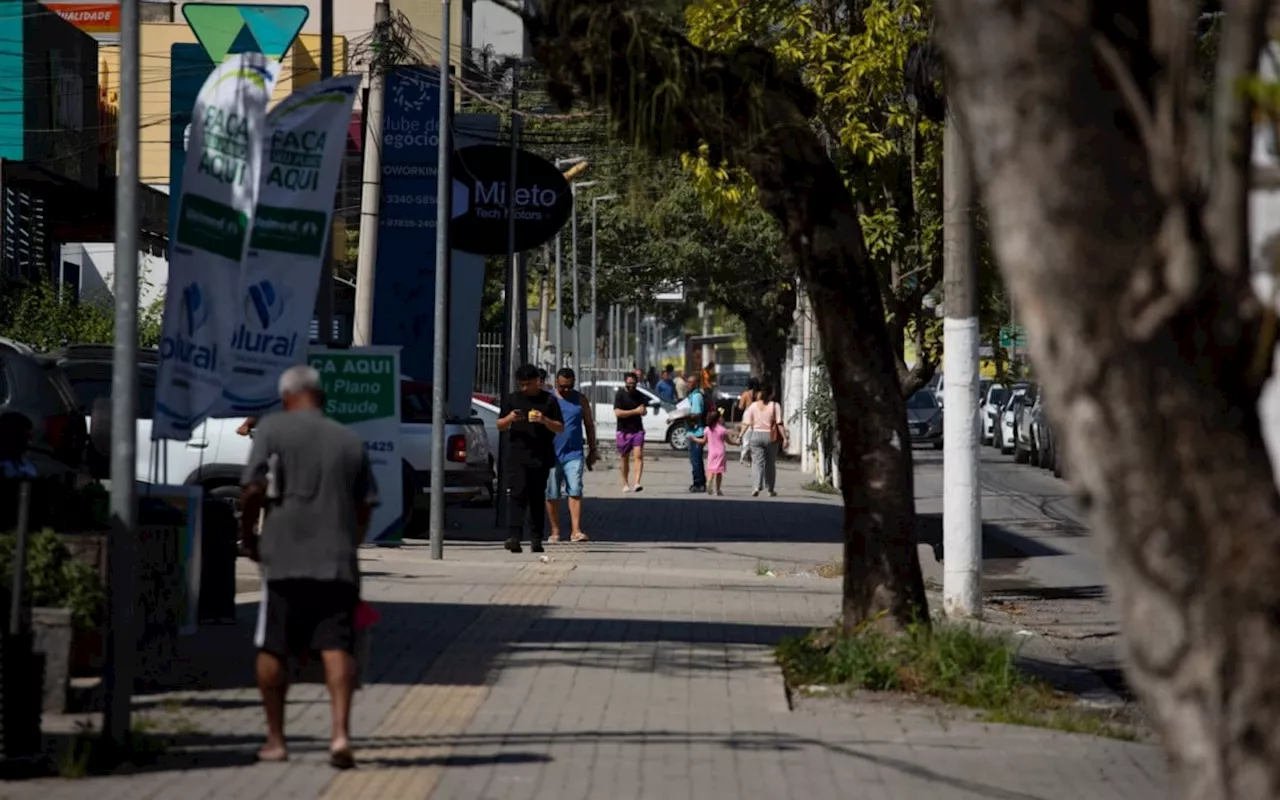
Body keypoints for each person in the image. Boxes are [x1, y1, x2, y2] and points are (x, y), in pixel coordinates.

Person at [239, 365, 379, 770]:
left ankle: (276, 740)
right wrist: (349, 540)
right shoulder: (349, 439)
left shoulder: (271, 431)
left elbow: (250, 489)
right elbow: (365, 504)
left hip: (281, 556)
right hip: (336, 559)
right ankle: (340, 736)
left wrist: (249, 537)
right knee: (336, 644)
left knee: (274, 645)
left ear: (286, 398)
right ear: (321, 396)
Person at [498, 363, 565, 553]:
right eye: (521, 385)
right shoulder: (513, 399)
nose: (524, 388)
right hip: (517, 455)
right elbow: (500, 425)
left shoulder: (549, 401)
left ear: (537, 382)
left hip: (540, 456)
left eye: (528, 384)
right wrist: (510, 418)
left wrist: (544, 420)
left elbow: (560, 427)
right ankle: (514, 537)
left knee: (536, 497)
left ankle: (536, 538)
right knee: (517, 494)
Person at [545, 368, 597, 543]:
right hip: (552, 453)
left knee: (575, 489)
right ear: (556, 384)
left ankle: (576, 530)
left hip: (574, 453)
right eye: (562, 387)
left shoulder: (580, 399)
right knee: (552, 493)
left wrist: (593, 450)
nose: (566, 390)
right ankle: (555, 530)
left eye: (569, 386)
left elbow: (589, 425)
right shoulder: (549, 399)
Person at [740, 385, 789, 497]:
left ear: (759, 394)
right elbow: (779, 423)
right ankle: (770, 489)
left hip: (756, 436)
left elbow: (746, 423)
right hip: (771, 437)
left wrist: (740, 436)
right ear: (771, 394)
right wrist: (785, 438)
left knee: (757, 463)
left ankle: (756, 486)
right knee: (770, 464)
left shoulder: (753, 406)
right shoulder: (775, 406)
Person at [613, 371, 648, 492]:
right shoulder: (620, 395)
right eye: (629, 383)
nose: (631, 386)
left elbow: (643, 410)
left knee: (638, 455)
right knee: (624, 457)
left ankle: (637, 482)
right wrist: (635, 411)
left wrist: (642, 411)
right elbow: (618, 413)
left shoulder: (639, 395)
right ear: (625, 383)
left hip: (637, 429)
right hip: (623, 431)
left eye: (633, 383)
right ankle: (625, 483)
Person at [689, 409, 732, 496]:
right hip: (721, 453)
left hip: (712, 453)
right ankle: (718, 489)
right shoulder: (722, 430)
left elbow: (703, 441)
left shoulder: (707, 429)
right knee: (719, 472)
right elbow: (729, 441)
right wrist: (736, 443)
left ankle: (709, 481)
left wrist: (694, 439)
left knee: (711, 470)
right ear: (718, 419)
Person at [684, 373, 708, 493]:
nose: (687, 384)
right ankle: (699, 482)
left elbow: (697, 413)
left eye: (690, 382)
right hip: (692, 432)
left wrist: (684, 416)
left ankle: (699, 483)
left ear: (696, 383)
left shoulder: (696, 396)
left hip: (697, 433)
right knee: (695, 460)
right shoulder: (691, 395)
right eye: (687, 382)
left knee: (696, 460)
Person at [737, 378, 762, 465]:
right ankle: (754, 457)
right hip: (758, 415)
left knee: (746, 436)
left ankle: (743, 456)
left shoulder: (746, 394)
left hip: (747, 413)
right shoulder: (760, 394)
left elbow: (740, 407)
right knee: (755, 435)